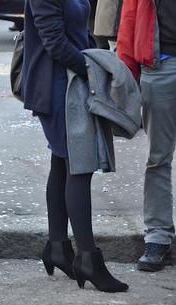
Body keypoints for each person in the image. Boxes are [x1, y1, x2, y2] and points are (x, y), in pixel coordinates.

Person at [22, 0, 129, 292]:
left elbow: (80, 32)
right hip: (57, 86)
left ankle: (58, 247)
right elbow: (54, 43)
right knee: (79, 166)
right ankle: (88, 259)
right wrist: (95, 70)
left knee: (62, 161)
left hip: (69, 83)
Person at [117, 0, 175, 272]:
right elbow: (130, 18)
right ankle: (158, 235)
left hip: (159, 70)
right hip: (159, 68)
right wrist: (126, 73)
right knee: (158, 158)